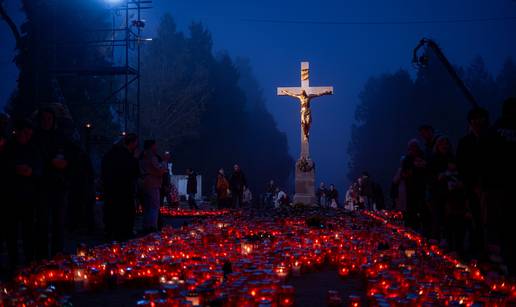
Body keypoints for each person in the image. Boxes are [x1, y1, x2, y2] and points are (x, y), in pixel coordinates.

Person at [456, 107, 501, 258]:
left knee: (492, 219)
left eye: (480, 119)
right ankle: (480, 249)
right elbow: (461, 165)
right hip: (472, 188)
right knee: (475, 219)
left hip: (492, 186)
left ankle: (494, 250)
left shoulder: (494, 139)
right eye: (474, 120)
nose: (477, 123)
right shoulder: (465, 142)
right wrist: (470, 184)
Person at [32, 108, 74, 258]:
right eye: (44, 118)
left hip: (59, 184)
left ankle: (57, 254)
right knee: (42, 222)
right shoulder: (35, 137)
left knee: (58, 222)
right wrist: (50, 162)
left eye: (50, 118)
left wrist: (65, 163)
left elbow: (70, 155)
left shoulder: (60, 137)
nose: (47, 121)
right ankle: (41, 255)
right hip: (42, 185)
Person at [4, 119, 42, 270]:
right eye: (25, 133)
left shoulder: (33, 149)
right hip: (10, 196)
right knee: (11, 231)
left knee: (28, 230)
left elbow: (39, 170)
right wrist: (15, 169)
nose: (27, 136)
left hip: (28, 196)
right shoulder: (8, 148)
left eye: (29, 134)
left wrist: (31, 172)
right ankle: (13, 260)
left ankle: (29, 259)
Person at [101, 133, 140, 241]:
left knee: (111, 211)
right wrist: (135, 159)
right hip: (124, 189)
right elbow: (133, 172)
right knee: (124, 213)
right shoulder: (126, 156)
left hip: (110, 188)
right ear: (131, 143)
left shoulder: (109, 155)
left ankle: (110, 232)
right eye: (135, 143)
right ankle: (122, 234)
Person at [493, 97, 516, 274]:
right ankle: (508, 260)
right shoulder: (498, 128)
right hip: (502, 182)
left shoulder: (496, 127)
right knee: (505, 222)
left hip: (502, 182)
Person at [426, 136, 455, 241]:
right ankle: (436, 245)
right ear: (437, 146)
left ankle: (451, 244)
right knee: (437, 219)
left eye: (446, 143)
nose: (444, 145)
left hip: (452, 193)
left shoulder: (452, 158)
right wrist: (439, 176)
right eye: (441, 143)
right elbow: (429, 177)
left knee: (451, 219)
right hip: (437, 194)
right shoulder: (433, 160)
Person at [139, 140, 167, 233]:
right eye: (155, 146)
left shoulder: (142, 156)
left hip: (144, 184)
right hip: (153, 183)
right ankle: (152, 227)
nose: (156, 148)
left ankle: (146, 225)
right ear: (151, 147)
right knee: (154, 206)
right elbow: (159, 170)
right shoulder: (152, 157)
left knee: (146, 206)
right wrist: (164, 162)